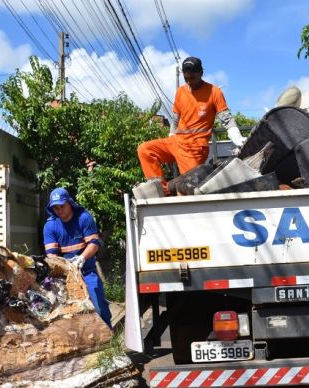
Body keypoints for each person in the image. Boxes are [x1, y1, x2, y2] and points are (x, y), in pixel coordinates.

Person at [137, 56, 246, 192]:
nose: (189, 81)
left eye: (192, 78)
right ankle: (161, 191)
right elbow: (175, 119)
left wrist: (236, 137)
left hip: (194, 148)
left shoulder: (214, 92)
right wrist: (171, 135)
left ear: (201, 73)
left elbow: (227, 119)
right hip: (177, 141)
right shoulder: (181, 91)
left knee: (188, 188)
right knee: (145, 149)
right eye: (186, 78)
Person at [43, 187, 112, 328]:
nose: (59, 210)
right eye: (56, 208)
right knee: (64, 311)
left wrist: (81, 259)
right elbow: (51, 255)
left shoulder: (84, 218)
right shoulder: (50, 226)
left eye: (62, 206)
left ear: (70, 203)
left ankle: (109, 333)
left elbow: (94, 244)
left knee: (98, 303)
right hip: (64, 275)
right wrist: (64, 266)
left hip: (86, 270)